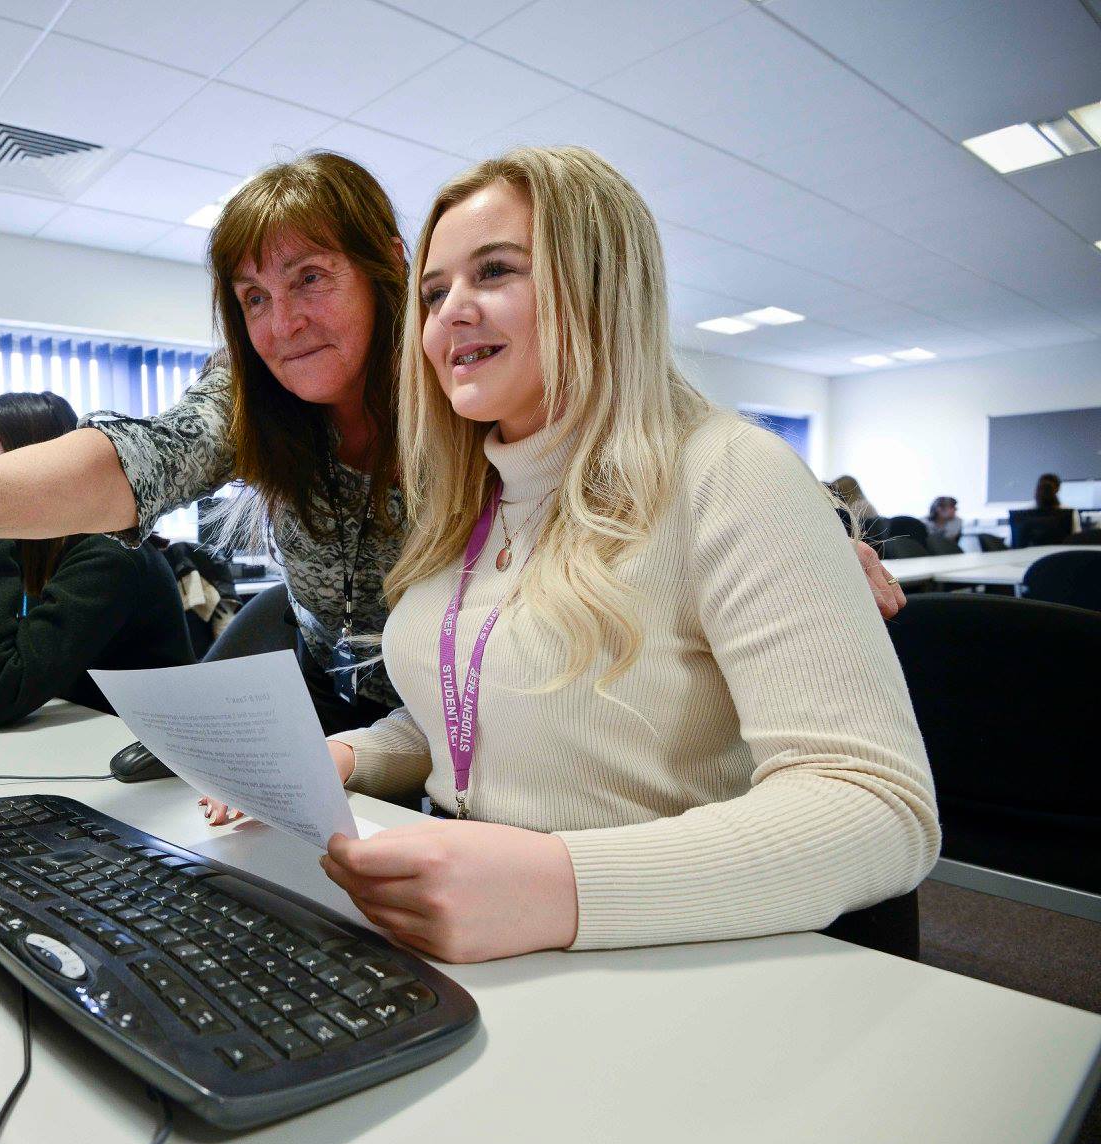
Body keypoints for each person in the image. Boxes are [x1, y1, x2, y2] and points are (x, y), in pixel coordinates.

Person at [0, 153, 905, 733]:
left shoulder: (463, 368)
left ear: (382, 269)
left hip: (489, 710)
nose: (282, 324)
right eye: (254, 296)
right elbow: (131, 459)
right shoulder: (252, 395)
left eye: (311, 280)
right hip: (345, 705)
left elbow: (658, 413)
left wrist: (819, 534)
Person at [289, 147, 937, 963]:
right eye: (434, 291)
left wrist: (558, 885)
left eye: (495, 271)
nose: (451, 311)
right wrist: (351, 755)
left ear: (597, 284)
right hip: (483, 944)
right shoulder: (469, 500)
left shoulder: (727, 470)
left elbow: (877, 808)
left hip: (662, 956)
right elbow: (480, 718)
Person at [0, 391, 195, 731]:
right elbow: (20, 669)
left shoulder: (108, 555)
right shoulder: (52, 550)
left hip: (147, 760)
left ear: (40, 467)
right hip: (92, 741)